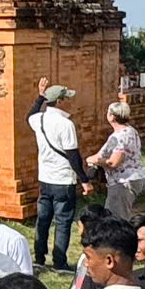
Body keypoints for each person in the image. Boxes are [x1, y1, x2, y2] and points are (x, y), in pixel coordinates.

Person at [28, 85, 83, 270]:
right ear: (59, 101)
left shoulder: (39, 120)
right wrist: (84, 179)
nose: (70, 101)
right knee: (63, 222)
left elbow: (30, 115)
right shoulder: (66, 125)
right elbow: (73, 156)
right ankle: (59, 262)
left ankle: (39, 259)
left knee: (42, 220)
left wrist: (40, 96)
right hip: (63, 179)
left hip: (45, 178)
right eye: (67, 98)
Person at [86, 101, 145, 221]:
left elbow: (114, 162)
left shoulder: (119, 136)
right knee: (114, 215)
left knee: (117, 220)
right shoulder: (130, 130)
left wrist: (97, 161)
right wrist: (95, 158)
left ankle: (123, 239)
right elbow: (104, 152)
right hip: (135, 177)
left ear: (112, 117)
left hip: (123, 181)